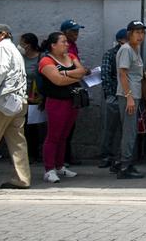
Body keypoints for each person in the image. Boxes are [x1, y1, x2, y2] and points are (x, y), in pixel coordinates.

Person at [0, 24, 30, 189]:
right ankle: (22, 178)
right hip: (19, 100)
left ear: (3, 34)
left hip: (3, 101)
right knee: (17, 141)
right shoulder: (16, 50)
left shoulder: (2, 49)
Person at [38, 31, 86, 183]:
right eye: (63, 42)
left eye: (67, 42)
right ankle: (49, 169)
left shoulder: (70, 56)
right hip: (56, 102)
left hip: (72, 101)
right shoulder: (46, 60)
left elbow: (82, 72)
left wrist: (65, 73)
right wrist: (72, 76)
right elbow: (56, 80)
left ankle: (60, 166)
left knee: (65, 135)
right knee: (53, 136)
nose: (67, 44)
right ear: (53, 45)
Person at [116, 20, 146, 179]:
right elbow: (123, 74)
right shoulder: (126, 49)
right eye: (137, 32)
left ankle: (122, 162)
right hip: (128, 96)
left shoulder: (136, 49)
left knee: (131, 131)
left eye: (142, 32)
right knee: (129, 132)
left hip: (135, 94)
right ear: (130, 34)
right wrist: (129, 97)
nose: (140, 35)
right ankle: (125, 166)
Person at [99, 29, 127, 170]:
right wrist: (112, 94)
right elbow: (105, 75)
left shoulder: (132, 53)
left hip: (128, 96)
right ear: (122, 40)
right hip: (115, 96)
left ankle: (121, 157)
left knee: (125, 129)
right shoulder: (111, 54)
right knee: (110, 128)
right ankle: (107, 156)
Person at [59, 19, 84, 166]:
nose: (76, 34)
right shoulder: (61, 49)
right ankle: (61, 159)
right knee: (60, 128)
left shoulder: (73, 47)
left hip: (73, 88)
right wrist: (79, 72)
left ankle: (66, 156)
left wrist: (82, 71)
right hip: (62, 90)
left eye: (77, 31)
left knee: (70, 126)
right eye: (73, 31)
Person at [19, 33, 46, 163]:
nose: (20, 45)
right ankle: (28, 153)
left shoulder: (41, 57)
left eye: (22, 43)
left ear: (28, 45)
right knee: (24, 126)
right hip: (22, 95)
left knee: (36, 126)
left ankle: (37, 153)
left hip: (36, 96)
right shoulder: (20, 57)